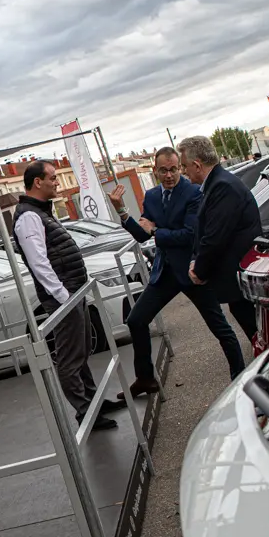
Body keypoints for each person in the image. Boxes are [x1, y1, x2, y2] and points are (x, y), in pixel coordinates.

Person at [108, 148, 246, 391]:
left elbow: (189, 234)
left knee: (220, 328)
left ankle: (240, 376)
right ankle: (145, 378)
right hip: (165, 272)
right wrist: (122, 211)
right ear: (156, 171)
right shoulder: (151, 196)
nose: (169, 175)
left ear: (179, 168)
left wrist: (156, 231)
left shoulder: (193, 192)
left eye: (173, 169)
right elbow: (142, 235)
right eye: (164, 170)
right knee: (136, 320)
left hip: (193, 272)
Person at [12, 160, 122, 430]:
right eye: (52, 177)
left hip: (72, 292)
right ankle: (85, 411)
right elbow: (39, 263)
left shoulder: (41, 212)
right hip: (65, 296)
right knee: (70, 357)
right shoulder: (29, 216)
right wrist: (63, 296)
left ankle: (93, 399)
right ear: (38, 182)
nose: (57, 182)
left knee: (81, 349)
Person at [178, 136, 261, 344]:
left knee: (259, 336)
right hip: (235, 279)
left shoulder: (222, 186)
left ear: (197, 165)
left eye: (184, 166)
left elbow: (215, 236)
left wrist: (199, 270)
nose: (183, 171)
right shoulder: (217, 184)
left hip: (239, 276)